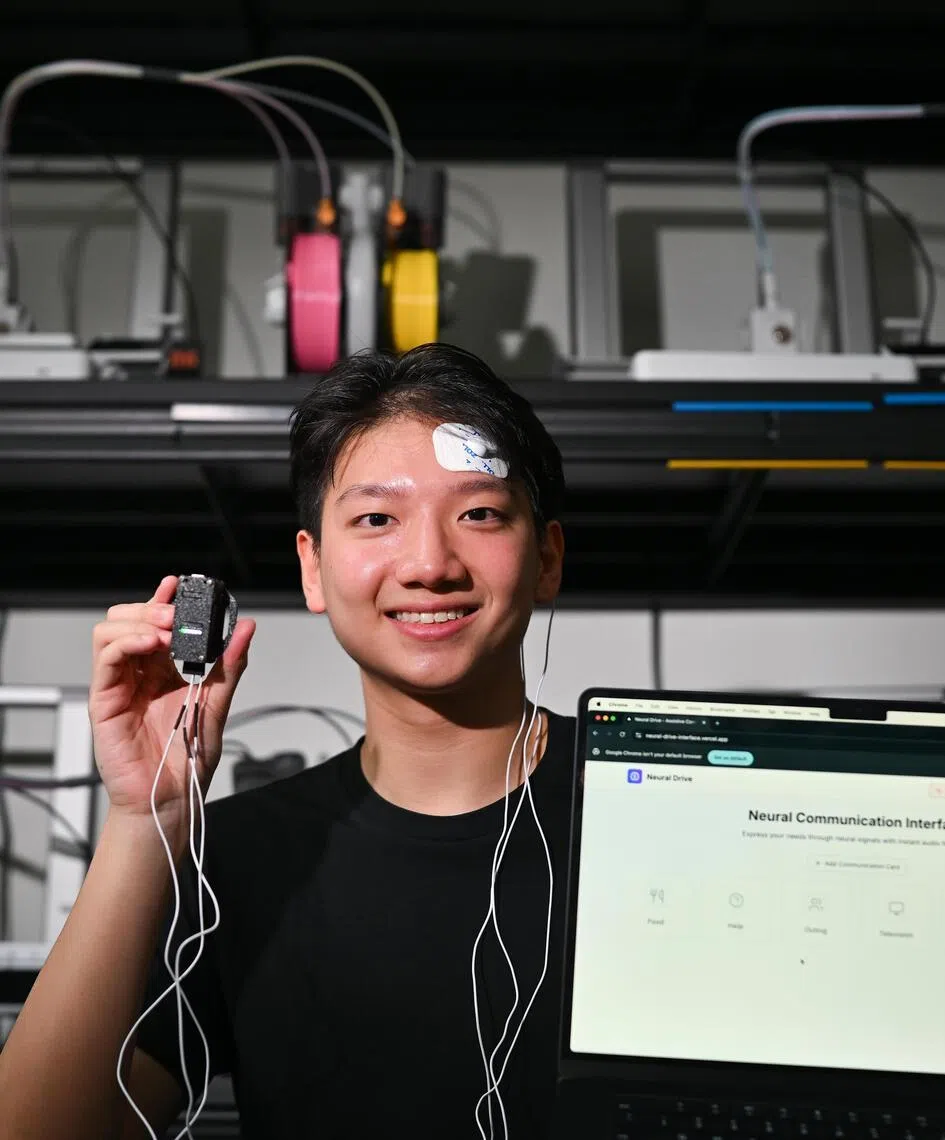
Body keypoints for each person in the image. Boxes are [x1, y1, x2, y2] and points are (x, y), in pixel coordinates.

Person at [0, 343, 570, 1140]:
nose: (429, 563)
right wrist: (145, 818)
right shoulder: (237, 860)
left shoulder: (655, 802)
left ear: (545, 557)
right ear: (312, 568)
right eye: (376, 519)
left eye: (478, 514)